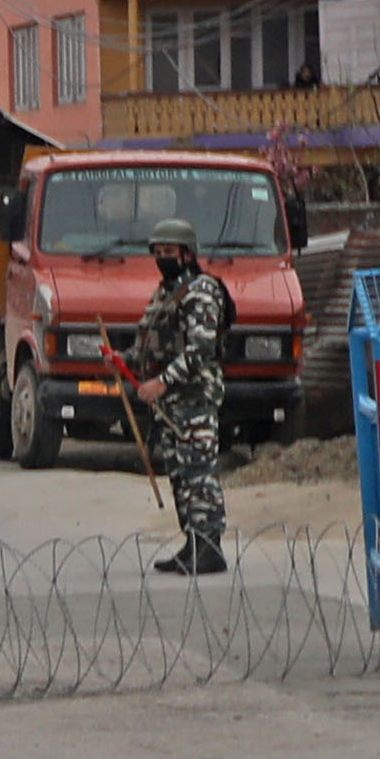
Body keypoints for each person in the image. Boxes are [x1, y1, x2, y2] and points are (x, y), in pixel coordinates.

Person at [133, 215, 232, 577]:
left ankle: (209, 547)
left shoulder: (202, 291)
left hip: (194, 397)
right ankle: (192, 543)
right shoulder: (166, 292)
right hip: (170, 402)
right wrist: (123, 361)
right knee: (179, 473)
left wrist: (163, 381)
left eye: (169, 251)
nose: (163, 257)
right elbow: (153, 343)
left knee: (198, 472)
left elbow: (200, 350)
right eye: (157, 252)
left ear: (188, 254)